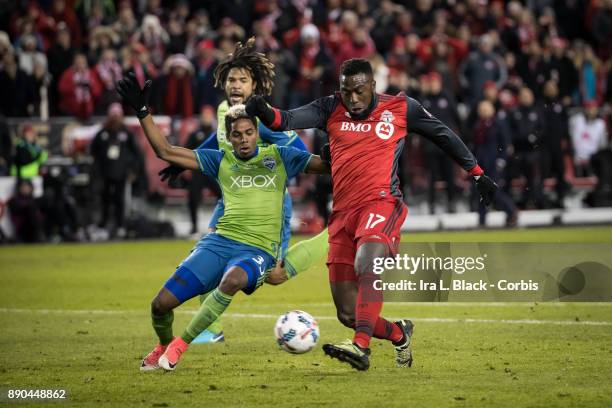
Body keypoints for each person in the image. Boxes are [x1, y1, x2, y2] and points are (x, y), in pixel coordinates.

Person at [246, 58, 497, 370]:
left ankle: (360, 347)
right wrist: (262, 109)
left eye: (359, 91)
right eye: (346, 91)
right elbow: (285, 119)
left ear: (373, 87)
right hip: (341, 214)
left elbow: (443, 135)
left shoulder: (402, 108)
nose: (352, 98)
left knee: (368, 262)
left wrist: (476, 172)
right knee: (348, 313)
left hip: (381, 203)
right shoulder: (330, 107)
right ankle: (398, 333)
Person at [116, 73, 329, 371]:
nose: (243, 140)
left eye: (248, 133)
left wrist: (340, 146)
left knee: (233, 281)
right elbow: (165, 151)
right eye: (237, 135)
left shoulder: (280, 156)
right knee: (160, 304)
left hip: (257, 249)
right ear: (228, 138)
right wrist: (142, 112)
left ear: (258, 131)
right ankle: (163, 344)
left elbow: (324, 165)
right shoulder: (220, 160)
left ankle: (180, 345)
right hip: (218, 243)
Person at [158, 38, 332, 344]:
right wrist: (184, 159)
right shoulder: (226, 109)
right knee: (208, 255)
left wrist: (284, 165)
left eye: (243, 80)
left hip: (268, 201)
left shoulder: (261, 117)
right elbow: (220, 142)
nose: (236, 85)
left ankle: (333, 236)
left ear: (255, 85)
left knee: (275, 275)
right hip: (232, 200)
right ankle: (209, 331)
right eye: (231, 79)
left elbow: (299, 151)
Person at [89, 103, 143, 238]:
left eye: (117, 115)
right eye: (113, 115)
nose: (115, 118)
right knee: (104, 201)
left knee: (120, 201)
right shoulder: (102, 134)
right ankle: (103, 226)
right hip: (105, 174)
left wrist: (133, 171)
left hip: (121, 174)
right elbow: (93, 152)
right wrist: (96, 169)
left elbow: (137, 154)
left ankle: (120, 226)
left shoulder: (127, 134)